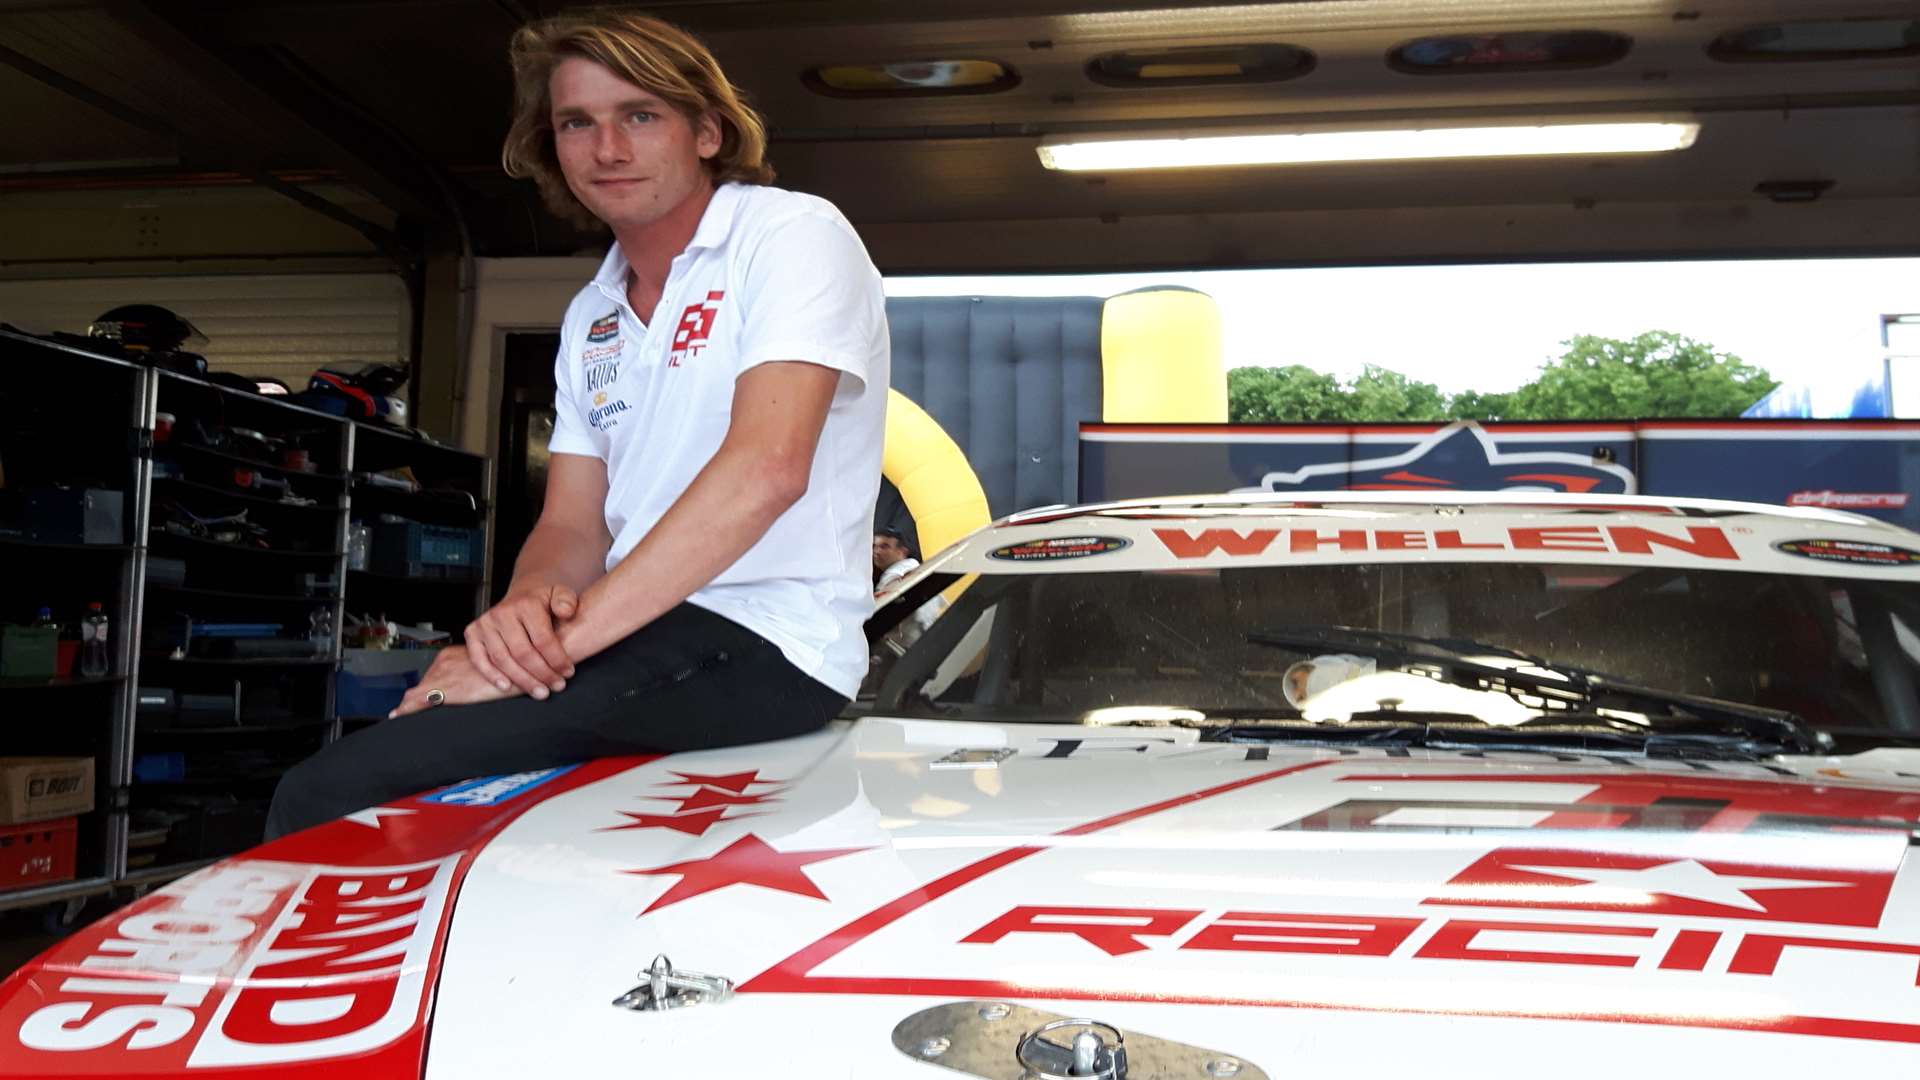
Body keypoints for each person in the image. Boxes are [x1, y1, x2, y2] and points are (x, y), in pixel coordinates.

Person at [266, 10, 889, 837]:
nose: (608, 148)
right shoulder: (591, 313)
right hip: (635, 628)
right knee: (419, 736)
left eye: (640, 115)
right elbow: (570, 523)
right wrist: (520, 619)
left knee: (330, 794)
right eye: (576, 122)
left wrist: (548, 654)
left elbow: (766, 471)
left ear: (706, 131)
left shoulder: (789, 235)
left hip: (769, 638)